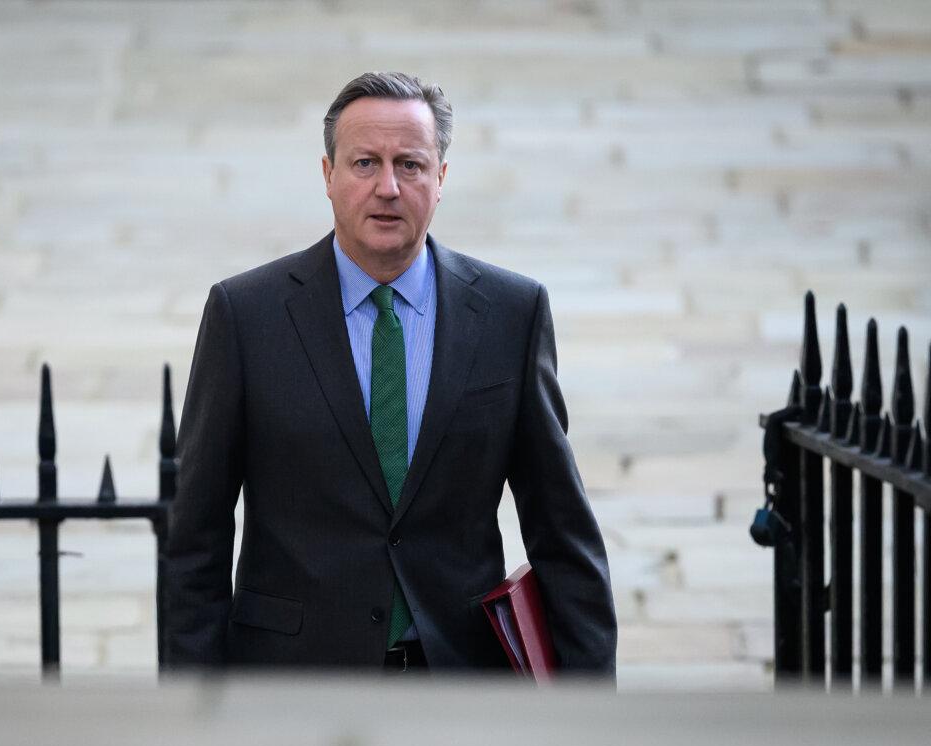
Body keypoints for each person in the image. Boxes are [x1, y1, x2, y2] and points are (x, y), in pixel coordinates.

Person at [161, 71, 616, 674]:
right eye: (364, 163)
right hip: (293, 685)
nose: (388, 188)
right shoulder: (246, 315)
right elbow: (196, 537)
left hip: (460, 684)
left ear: (441, 178)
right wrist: (194, 713)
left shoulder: (512, 313)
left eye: (410, 165)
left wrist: (589, 713)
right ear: (327, 176)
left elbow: (562, 531)